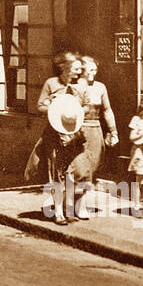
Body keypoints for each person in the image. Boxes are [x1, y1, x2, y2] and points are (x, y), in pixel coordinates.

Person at [27, 51, 88, 225]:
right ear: (65, 67)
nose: (78, 71)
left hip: (74, 134)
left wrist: (77, 110)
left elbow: (87, 107)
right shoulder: (51, 83)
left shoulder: (81, 86)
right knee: (56, 174)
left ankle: (69, 210)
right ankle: (58, 212)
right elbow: (40, 106)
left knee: (72, 173)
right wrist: (55, 106)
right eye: (76, 67)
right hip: (54, 134)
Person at [71, 54, 119, 218]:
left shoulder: (100, 87)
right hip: (80, 131)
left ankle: (75, 202)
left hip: (96, 131)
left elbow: (107, 110)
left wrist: (113, 131)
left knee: (92, 168)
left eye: (95, 69)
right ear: (82, 70)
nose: (93, 73)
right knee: (81, 169)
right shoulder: (75, 87)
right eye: (90, 69)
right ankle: (79, 206)